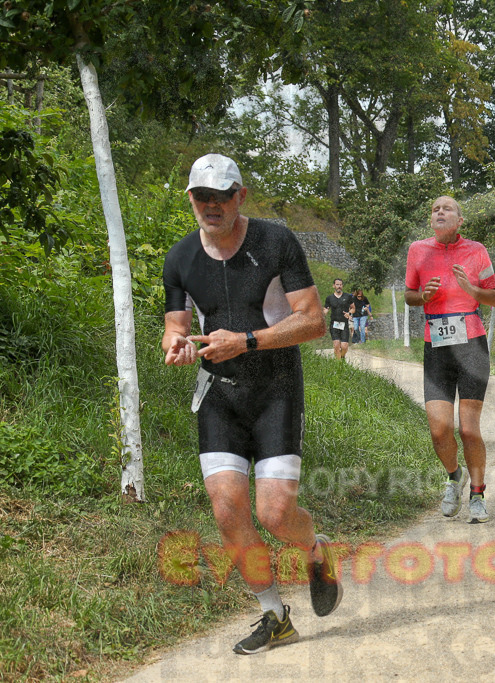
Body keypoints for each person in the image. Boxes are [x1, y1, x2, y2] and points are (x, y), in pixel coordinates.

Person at [161, 153, 341, 655]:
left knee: (276, 513)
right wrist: (175, 344)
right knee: (226, 510)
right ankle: (273, 614)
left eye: (222, 196)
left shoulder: (275, 241)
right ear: (191, 198)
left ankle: (314, 548)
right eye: (202, 197)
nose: (212, 206)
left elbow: (312, 321)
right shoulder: (179, 258)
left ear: (241, 196)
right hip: (218, 393)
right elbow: (176, 325)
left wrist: (247, 340)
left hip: (276, 387)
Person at [404, 196, 495, 524]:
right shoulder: (418, 250)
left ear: (460, 220)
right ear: (431, 219)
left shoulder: (477, 251)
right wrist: (424, 296)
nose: (440, 212)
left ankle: (477, 493)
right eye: (435, 209)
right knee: (439, 429)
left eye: (447, 209)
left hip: (472, 345)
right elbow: (409, 295)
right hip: (437, 348)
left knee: (468, 429)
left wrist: (472, 288)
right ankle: (453, 476)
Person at [323, 278, 355, 360]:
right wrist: (323, 313)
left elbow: (353, 308)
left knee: (344, 347)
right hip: (334, 324)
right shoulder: (329, 298)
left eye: (340, 285)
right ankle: (339, 365)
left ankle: (342, 356)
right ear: (334, 286)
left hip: (344, 324)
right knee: (336, 345)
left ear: (342, 286)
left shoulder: (348, 296)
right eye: (337, 284)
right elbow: (326, 309)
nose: (339, 286)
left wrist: (349, 313)